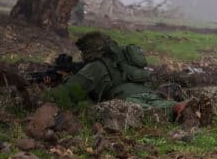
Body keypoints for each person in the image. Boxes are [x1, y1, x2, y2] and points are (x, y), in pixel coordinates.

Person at [46, 31, 191, 121]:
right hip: (147, 92)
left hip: (125, 99)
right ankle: (184, 107)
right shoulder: (121, 61)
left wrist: (52, 88)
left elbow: (70, 91)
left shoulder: (95, 67)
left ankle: (178, 110)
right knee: (158, 104)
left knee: (147, 113)